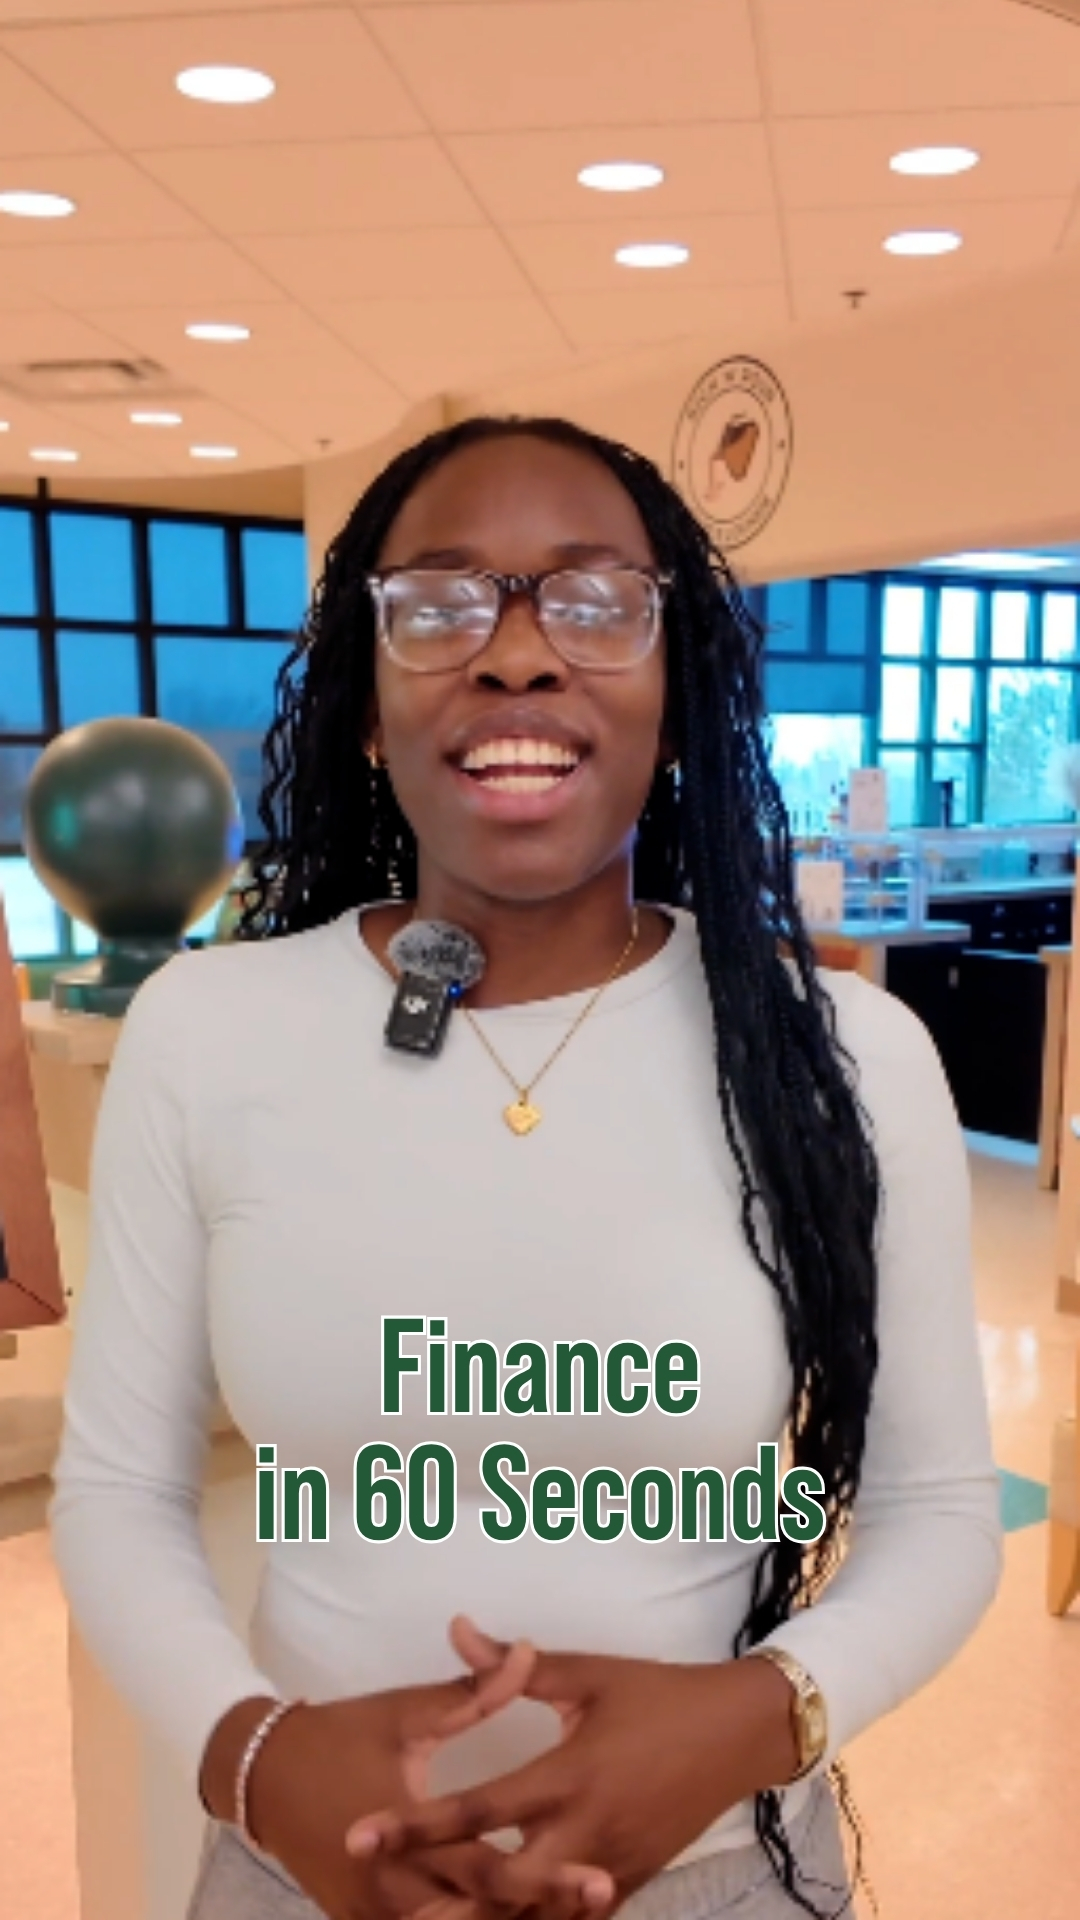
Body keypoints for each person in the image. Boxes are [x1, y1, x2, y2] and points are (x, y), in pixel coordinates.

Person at [50, 416, 1003, 1920]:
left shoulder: (849, 1057)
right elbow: (115, 1488)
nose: (513, 654)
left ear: (678, 688)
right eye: (436, 604)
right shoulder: (212, 1031)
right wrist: (252, 1756)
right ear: (368, 700)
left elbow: (943, 1509)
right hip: (311, 1874)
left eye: (592, 600)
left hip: (718, 1878)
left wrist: (759, 1715)